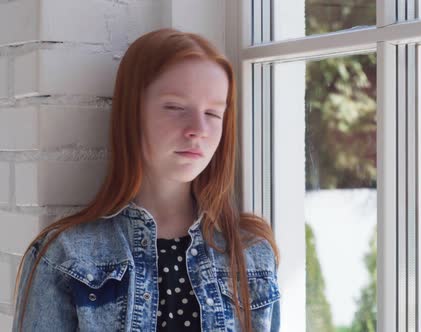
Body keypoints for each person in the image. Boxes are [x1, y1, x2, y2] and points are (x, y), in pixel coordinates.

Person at [11, 28, 280, 332]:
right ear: (132, 113)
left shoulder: (252, 253)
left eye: (213, 113)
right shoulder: (64, 257)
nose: (198, 129)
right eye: (176, 108)